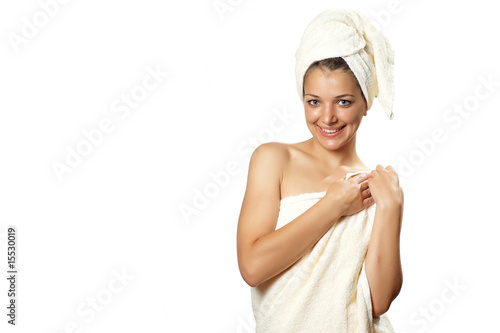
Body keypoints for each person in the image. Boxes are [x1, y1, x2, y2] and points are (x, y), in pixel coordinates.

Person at [236, 8, 403, 332]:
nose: (327, 117)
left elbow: (379, 302)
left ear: (365, 102)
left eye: (343, 102)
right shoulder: (274, 160)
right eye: (314, 102)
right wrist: (334, 205)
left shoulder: (373, 187)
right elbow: (253, 267)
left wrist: (392, 208)